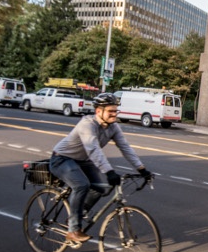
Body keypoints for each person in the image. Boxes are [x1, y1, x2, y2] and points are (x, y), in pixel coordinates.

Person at [49, 92, 152, 243]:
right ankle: (73, 229)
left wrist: (142, 169)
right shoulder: (87, 124)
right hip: (62, 159)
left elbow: (125, 148)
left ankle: (78, 213)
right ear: (99, 111)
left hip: (83, 161)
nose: (114, 114)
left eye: (115, 111)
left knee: (101, 188)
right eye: (110, 111)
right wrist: (109, 171)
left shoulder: (113, 127)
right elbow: (93, 150)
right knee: (81, 185)